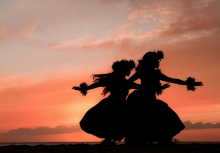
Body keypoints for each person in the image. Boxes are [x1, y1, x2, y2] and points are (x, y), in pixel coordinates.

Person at [124, 50, 203, 144]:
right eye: (156, 60)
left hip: (151, 100)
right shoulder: (142, 72)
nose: (158, 62)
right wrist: (142, 87)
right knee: (144, 120)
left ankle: (161, 139)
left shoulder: (156, 74)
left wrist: (189, 83)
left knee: (160, 120)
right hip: (141, 100)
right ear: (151, 61)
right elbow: (128, 82)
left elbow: (173, 80)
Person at [73, 59, 140, 144]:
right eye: (129, 69)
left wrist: (84, 88)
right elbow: (98, 84)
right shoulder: (125, 82)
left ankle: (109, 139)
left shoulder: (121, 82)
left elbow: (97, 84)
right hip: (116, 104)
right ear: (124, 70)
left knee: (109, 122)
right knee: (111, 122)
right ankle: (109, 138)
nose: (130, 71)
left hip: (113, 104)